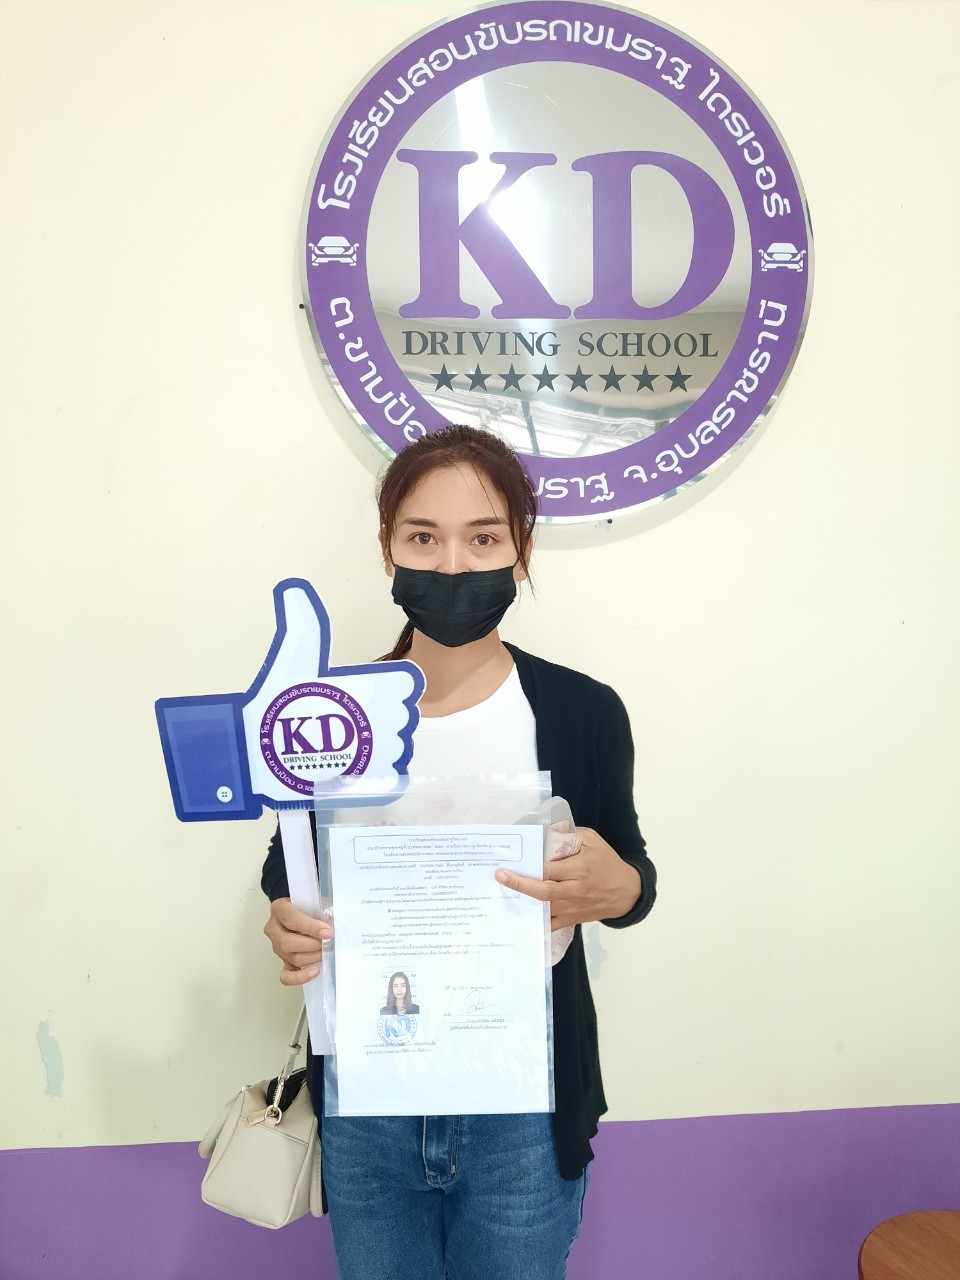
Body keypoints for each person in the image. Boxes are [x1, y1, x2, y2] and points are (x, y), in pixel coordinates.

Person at [261, 425, 657, 1280]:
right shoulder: (332, 716)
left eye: (482, 538)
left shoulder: (582, 711)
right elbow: (287, 874)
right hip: (370, 1099)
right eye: (422, 537)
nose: (451, 565)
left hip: (524, 1104)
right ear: (387, 548)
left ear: (521, 550)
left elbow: (632, 877)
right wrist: (288, 925)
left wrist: (617, 884)